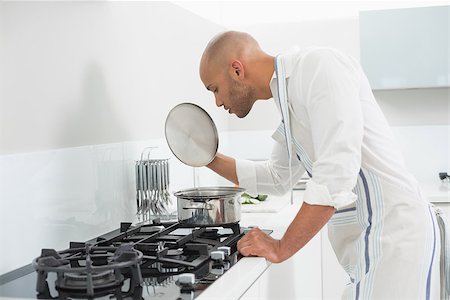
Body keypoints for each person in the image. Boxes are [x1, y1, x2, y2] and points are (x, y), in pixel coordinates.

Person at [198, 31, 444, 299]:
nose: (218, 102)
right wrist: (206, 157)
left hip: (397, 237)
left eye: (215, 89)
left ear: (236, 70)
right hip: (370, 244)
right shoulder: (288, 101)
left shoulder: (318, 67)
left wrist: (281, 247)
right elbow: (277, 177)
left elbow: (336, 174)